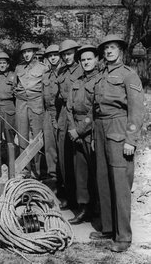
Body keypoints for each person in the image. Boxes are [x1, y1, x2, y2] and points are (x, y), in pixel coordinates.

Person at [90, 35, 144, 252]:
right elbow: (96, 107)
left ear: (120, 50)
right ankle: (108, 228)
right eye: (105, 49)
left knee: (120, 184)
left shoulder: (129, 75)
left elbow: (137, 110)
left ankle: (123, 237)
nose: (108, 51)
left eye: (112, 48)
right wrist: (95, 136)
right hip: (101, 129)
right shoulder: (102, 74)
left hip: (119, 129)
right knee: (103, 179)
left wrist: (131, 139)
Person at [66, 45, 99, 224]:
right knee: (81, 172)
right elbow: (69, 107)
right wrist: (72, 129)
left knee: (96, 171)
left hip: (91, 131)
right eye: (83, 60)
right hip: (76, 131)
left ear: (96, 60)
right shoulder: (76, 82)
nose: (86, 62)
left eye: (89, 59)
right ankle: (83, 208)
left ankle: (97, 209)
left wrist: (79, 130)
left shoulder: (100, 80)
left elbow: (95, 110)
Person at [14, 42, 48, 178]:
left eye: (29, 52)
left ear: (34, 53)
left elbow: (46, 89)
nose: (26, 54)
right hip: (21, 103)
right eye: (24, 52)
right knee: (22, 136)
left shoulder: (43, 68)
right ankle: (25, 169)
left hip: (37, 103)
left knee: (38, 137)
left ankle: (40, 171)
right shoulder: (18, 68)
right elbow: (14, 87)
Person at [56, 39, 82, 209]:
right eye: (64, 54)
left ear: (76, 53)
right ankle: (70, 196)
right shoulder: (61, 71)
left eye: (69, 53)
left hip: (78, 114)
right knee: (64, 158)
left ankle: (84, 201)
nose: (66, 57)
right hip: (63, 114)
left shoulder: (83, 69)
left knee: (79, 159)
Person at [42, 44, 61, 183]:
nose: (53, 58)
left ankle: (64, 179)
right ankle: (52, 176)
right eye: (50, 56)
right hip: (48, 112)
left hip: (61, 112)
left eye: (55, 55)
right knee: (49, 146)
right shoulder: (46, 75)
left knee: (62, 146)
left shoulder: (64, 73)